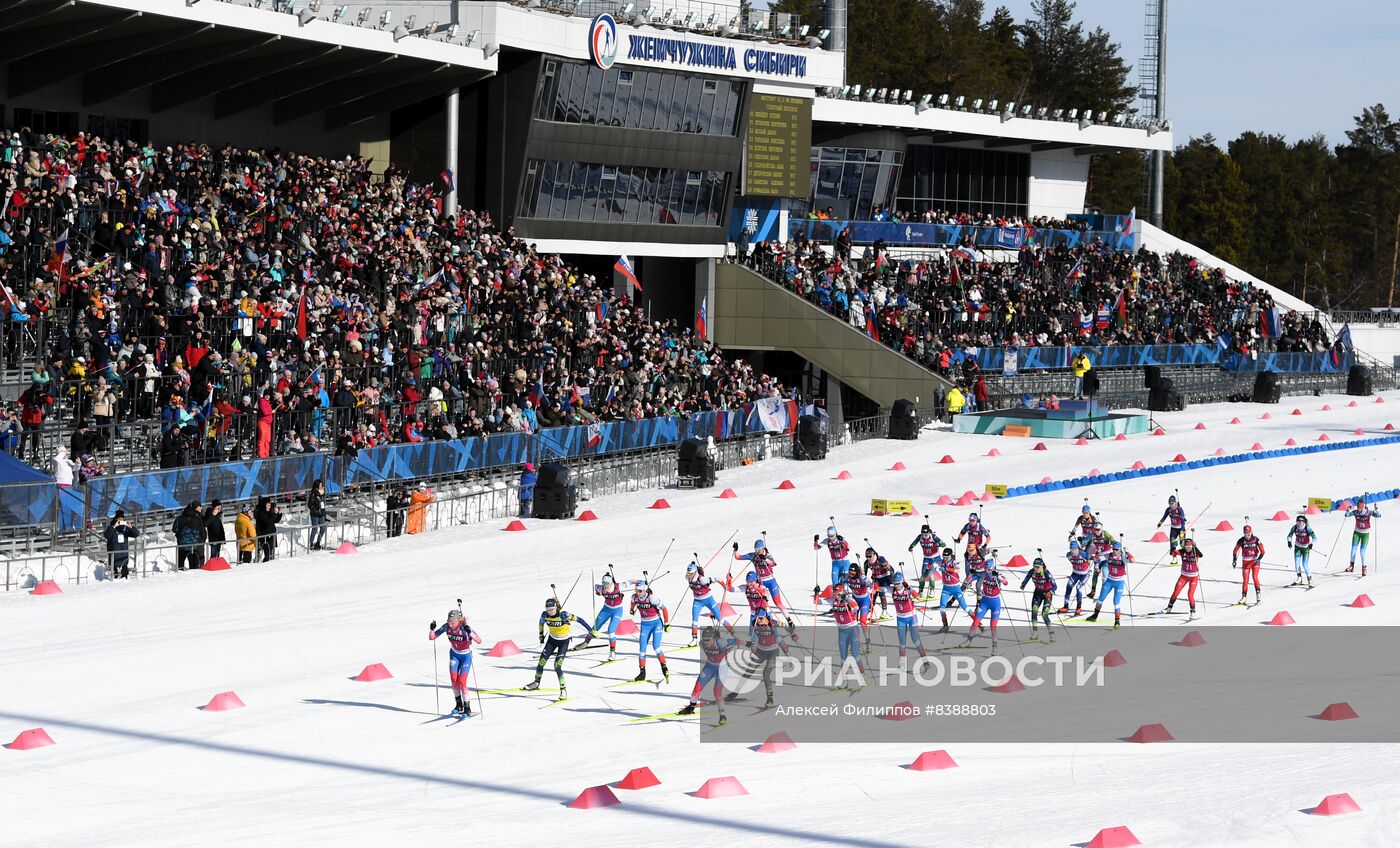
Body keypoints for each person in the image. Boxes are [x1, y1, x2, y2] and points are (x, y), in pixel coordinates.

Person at [524, 597, 594, 700]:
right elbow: (541, 623)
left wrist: (590, 630)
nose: (550, 612)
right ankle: (536, 683)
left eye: (552, 609)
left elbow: (580, 620)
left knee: (557, 666)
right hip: (552, 640)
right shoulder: (544, 615)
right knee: (541, 662)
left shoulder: (563, 614)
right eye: (548, 610)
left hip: (564, 642)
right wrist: (541, 635)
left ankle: (563, 690)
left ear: (556, 607)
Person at [732, 537, 795, 630]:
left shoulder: (768, 555)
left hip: (770, 581)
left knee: (778, 603)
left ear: (763, 548)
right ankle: (766, 624)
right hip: (761, 582)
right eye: (756, 549)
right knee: (763, 603)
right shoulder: (753, 556)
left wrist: (764, 558)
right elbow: (738, 557)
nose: (757, 551)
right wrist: (735, 550)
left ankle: (789, 620)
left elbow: (773, 563)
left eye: (759, 549)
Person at [430, 609, 483, 716]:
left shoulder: (464, 628)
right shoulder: (446, 627)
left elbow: (479, 640)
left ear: (458, 621)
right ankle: (459, 705)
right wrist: (432, 629)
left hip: (465, 656)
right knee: (454, 681)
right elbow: (432, 637)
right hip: (454, 655)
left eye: (453, 622)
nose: (451, 624)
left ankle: (467, 707)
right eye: (449, 622)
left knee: (462, 682)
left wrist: (470, 632)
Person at [677, 626, 736, 722]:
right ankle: (691, 708)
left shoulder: (722, 642)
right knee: (696, 689)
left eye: (708, 640)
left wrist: (747, 643)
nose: (705, 642)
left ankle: (722, 716)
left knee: (717, 693)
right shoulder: (702, 644)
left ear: (713, 637)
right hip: (710, 667)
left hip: (722, 668)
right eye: (704, 640)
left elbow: (736, 641)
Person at [579, 573, 628, 659]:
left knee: (611, 631)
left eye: (607, 584)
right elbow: (596, 587)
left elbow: (631, 582)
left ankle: (612, 652)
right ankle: (585, 643)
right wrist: (597, 592)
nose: (605, 586)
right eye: (603, 583)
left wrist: (642, 584)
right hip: (606, 609)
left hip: (617, 610)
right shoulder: (601, 588)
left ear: (611, 583)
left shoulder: (619, 586)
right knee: (595, 628)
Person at [629, 580, 670, 683]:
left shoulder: (651, 598)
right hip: (645, 625)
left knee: (656, 646)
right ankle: (642, 672)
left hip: (656, 623)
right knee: (642, 648)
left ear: (644, 590)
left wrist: (666, 623)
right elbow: (632, 603)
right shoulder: (634, 597)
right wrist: (631, 610)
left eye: (640, 591)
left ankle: (664, 667)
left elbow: (664, 609)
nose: (637, 593)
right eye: (636, 590)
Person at [964, 562, 1010, 650]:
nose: (987, 571)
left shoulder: (997, 575)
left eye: (989, 569)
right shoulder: (983, 574)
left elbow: (1006, 582)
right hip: (984, 602)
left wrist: (998, 576)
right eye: (986, 569)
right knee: (976, 622)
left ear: (993, 568)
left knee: (993, 626)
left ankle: (994, 647)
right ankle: (968, 641)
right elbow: (968, 580)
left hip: (995, 603)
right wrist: (971, 573)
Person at [1086, 540, 1130, 627]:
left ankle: (1117, 621)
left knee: (1116, 602)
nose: (1114, 551)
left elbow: (1133, 560)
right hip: (1109, 581)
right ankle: (1095, 615)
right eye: (1114, 549)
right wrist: (1097, 565)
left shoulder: (1123, 557)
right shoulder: (1109, 555)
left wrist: (1128, 552)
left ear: (1120, 550)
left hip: (1119, 582)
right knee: (1100, 599)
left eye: (1117, 550)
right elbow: (1097, 559)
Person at [682, 561, 726, 644]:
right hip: (697, 601)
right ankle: (694, 639)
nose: (689, 575)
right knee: (694, 620)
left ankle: (734, 635)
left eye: (691, 573)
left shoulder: (702, 579)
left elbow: (717, 579)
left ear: (695, 572)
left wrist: (724, 586)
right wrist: (695, 566)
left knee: (720, 619)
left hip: (708, 599)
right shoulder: (687, 577)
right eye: (688, 573)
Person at [890, 569, 925, 659]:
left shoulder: (907, 590)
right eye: (895, 583)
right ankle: (902, 665)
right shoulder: (893, 590)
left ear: (902, 582)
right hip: (900, 619)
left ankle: (925, 660)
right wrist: (873, 585)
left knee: (915, 640)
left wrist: (909, 588)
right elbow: (881, 589)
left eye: (898, 583)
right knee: (902, 643)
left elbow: (917, 596)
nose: (896, 585)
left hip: (911, 617)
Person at [1163, 537, 1202, 616]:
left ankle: (1193, 612)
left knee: (1190, 594)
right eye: (1186, 547)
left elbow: (1201, 555)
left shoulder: (1195, 552)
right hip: (1184, 576)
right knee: (1176, 591)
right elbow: (1172, 553)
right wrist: (1173, 547)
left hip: (1193, 577)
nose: (1188, 549)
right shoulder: (1182, 551)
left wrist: (1195, 547)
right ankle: (1169, 608)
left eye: (1189, 547)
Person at [1345, 497, 1379, 576]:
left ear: (1363, 506)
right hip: (1356, 533)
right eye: (1357, 507)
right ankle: (1351, 566)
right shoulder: (1356, 512)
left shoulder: (1368, 512)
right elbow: (1346, 515)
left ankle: (1364, 569)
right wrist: (1347, 510)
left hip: (1365, 534)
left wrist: (1376, 509)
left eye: (1360, 507)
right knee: (1353, 550)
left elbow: (1378, 515)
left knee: (1362, 552)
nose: (1358, 509)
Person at [908, 524, 945, 598]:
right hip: (926, 558)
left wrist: (938, 544)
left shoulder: (933, 537)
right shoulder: (920, 537)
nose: (925, 536)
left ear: (929, 533)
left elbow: (944, 544)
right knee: (922, 577)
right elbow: (914, 542)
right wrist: (911, 547)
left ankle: (932, 590)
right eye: (923, 534)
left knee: (930, 575)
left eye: (926, 534)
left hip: (935, 558)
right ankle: (920, 591)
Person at [1232, 524, 1265, 604]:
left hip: (1254, 562)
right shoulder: (1241, 540)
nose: (1247, 536)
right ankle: (1244, 597)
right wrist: (1234, 560)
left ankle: (1258, 595)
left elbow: (1263, 551)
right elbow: (1235, 551)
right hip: (1246, 563)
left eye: (1249, 534)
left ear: (1251, 532)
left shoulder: (1256, 539)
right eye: (1245, 534)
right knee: (1245, 580)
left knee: (1255, 577)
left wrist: (1259, 559)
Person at [1058, 539, 1093, 615]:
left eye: (1074, 549)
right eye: (1071, 549)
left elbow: (1094, 559)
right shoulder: (1068, 555)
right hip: (1075, 573)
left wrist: (1091, 562)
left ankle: (1078, 607)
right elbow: (1073, 562)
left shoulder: (1083, 554)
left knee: (1078, 587)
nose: (1073, 551)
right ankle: (1065, 606)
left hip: (1085, 574)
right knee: (1068, 587)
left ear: (1077, 548)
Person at [103, 509, 140, 579]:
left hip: (123, 554)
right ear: (116, 519)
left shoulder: (125, 529)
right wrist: (114, 527)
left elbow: (136, 534)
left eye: (121, 520)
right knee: (115, 576)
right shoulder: (111, 528)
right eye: (119, 520)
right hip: (114, 555)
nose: (120, 522)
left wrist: (131, 527)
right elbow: (107, 535)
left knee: (124, 576)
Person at [814, 525, 850, 593]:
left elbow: (849, 547)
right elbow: (816, 548)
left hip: (844, 562)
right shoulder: (827, 541)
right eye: (829, 536)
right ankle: (836, 598)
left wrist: (843, 541)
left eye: (832, 535)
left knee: (844, 584)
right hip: (835, 564)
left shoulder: (840, 539)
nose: (830, 537)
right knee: (835, 583)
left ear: (835, 533)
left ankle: (845, 597)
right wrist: (815, 541)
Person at [171, 502, 206, 571]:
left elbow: (174, 529)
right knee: (193, 566)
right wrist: (202, 541)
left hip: (182, 545)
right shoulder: (197, 518)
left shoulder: (179, 518)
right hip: (194, 546)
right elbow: (202, 532)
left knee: (180, 564)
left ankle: (180, 574)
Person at [1287, 515, 1317, 586]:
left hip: (1305, 548)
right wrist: (1289, 541)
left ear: (1304, 522)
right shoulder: (1294, 527)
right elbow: (1289, 535)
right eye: (1297, 522)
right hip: (1297, 547)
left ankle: (1309, 580)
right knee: (1297, 564)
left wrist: (1311, 544)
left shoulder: (1307, 528)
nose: (1299, 524)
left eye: (1300, 522)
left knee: (1304, 564)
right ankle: (1299, 578)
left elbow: (1314, 538)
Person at [1156, 495, 1187, 563]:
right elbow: (1164, 517)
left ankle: (1186, 556)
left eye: (1172, 503)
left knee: (1182, 543)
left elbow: (1182, 521)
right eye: (1170, 504)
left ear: (1175, 503)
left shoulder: (1179, 510)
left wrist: (1182, 530)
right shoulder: (1168, 510)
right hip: (1173, 529)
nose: (1171, 505)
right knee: (1172, 543)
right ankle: (1174, 558)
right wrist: (1160, 522)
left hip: (1181, 529)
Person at [254, 495, 282, 562]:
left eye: (270, 504)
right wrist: (275, 514)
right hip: (264, 536)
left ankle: (269, 564)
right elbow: (268, 522)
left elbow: (275, 520)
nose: (270, 506)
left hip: (271, 535)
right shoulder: (261, 513)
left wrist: (279, 514)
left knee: (271, 553)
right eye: (268, 505)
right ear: (264, 505)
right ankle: (263, 563)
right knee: (266, 554)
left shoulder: (270, 512)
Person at [307, 480, 327, 550]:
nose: (322, 487)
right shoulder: (313, 494)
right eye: (320, 485)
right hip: (315, 514)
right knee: (315, 529)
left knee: (323, 528)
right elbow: (310, 505)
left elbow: (322, 505)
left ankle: (318, 542)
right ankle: (311, 543)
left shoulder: (321, 494)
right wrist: (316, 511)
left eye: (322, 485)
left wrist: (324, 514)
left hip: (321, 514)